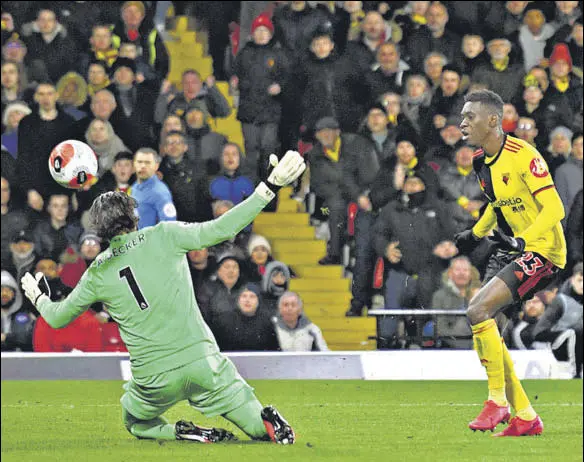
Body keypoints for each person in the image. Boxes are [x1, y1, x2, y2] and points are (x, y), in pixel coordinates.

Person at [20, 150, 305, 443]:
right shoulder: (166, 234)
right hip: (202, 362)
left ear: (100, 230)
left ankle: (183, 434)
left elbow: (56, 318)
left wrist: (40, 298)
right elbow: (225, 228)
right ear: (135, 215)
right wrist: (268, 187)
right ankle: (268, 424)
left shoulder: (97, 272)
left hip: (154, 379)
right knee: (257, 428)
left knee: (134, 420)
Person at [455, 89, 567, 436]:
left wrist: (526, 240)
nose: (462, 122)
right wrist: (475, 233)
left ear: (493, 120)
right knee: (489, 332)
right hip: (514, 250)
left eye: (469, 116)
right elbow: (497, 204)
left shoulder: (523, 154)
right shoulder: (480, 162)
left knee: (476, 311)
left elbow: (555, 208)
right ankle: (525, 416)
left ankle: (497, 402)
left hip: (543, 250)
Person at [130, 148, 176, 229]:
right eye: (140, 162)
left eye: (147, 163)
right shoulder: (134, 186)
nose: (143, 166)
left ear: (156, 166)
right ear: (134, 164)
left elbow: (170, 227)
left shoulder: (160, 193)